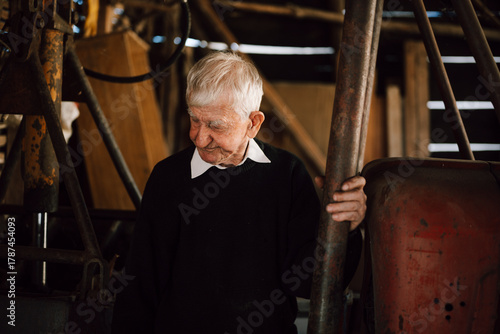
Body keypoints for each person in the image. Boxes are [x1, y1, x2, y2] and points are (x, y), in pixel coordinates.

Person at [111, 51, 367, 334]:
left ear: (253, 123)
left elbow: (307, 283)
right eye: (194, 119)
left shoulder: (287, 175)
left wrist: (347, 229)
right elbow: (140, 285)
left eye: (215, 125)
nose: (198, 136)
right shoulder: (168, 178)